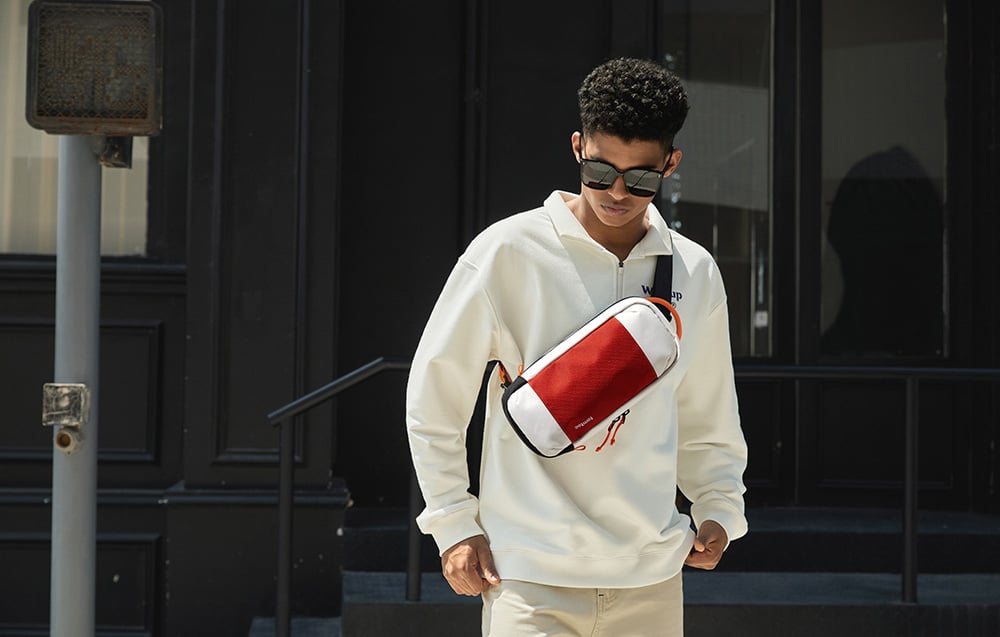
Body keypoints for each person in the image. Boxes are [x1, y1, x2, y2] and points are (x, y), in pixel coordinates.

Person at [405, 57, 748, 637]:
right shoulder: (507, 252)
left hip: (651, 577)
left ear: (671, 164)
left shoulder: (693, 270)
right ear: (577, 147)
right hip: (529, 577)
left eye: (641, 179)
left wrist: (718, 506)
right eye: (600, 170)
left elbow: (707, 412)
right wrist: (453, 523)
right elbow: (434, 397)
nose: (617, 192)